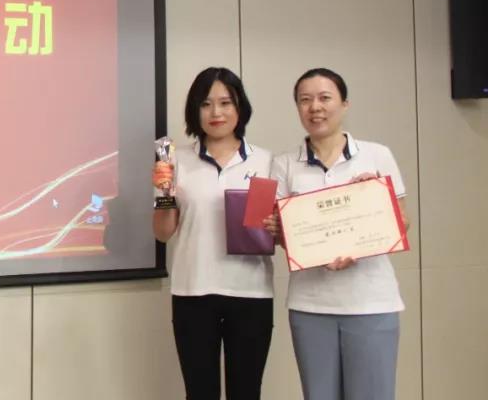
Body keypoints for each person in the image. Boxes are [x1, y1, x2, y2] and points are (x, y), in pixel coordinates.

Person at [265, 68, 410, 400]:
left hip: (371, 302)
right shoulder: (284, 164)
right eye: (305, 100)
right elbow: (283, 234)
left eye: (325, 98)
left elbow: (402, 221)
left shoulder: (376, 155)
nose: (315, 107)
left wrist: (376, 200)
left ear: (345, 104)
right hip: (310, 305)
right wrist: (278, 230)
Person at [152, 67, 273, 400]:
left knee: (246, 392)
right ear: (195, 110)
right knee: (199, 392)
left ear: (240, 107)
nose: (215, 112)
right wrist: (165, 193)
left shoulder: (266, 161)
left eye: (225, 102)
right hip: (193, 291)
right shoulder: (175, 161)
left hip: (251, 293)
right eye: (205, 104)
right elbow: (163, 233)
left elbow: (278, 232)